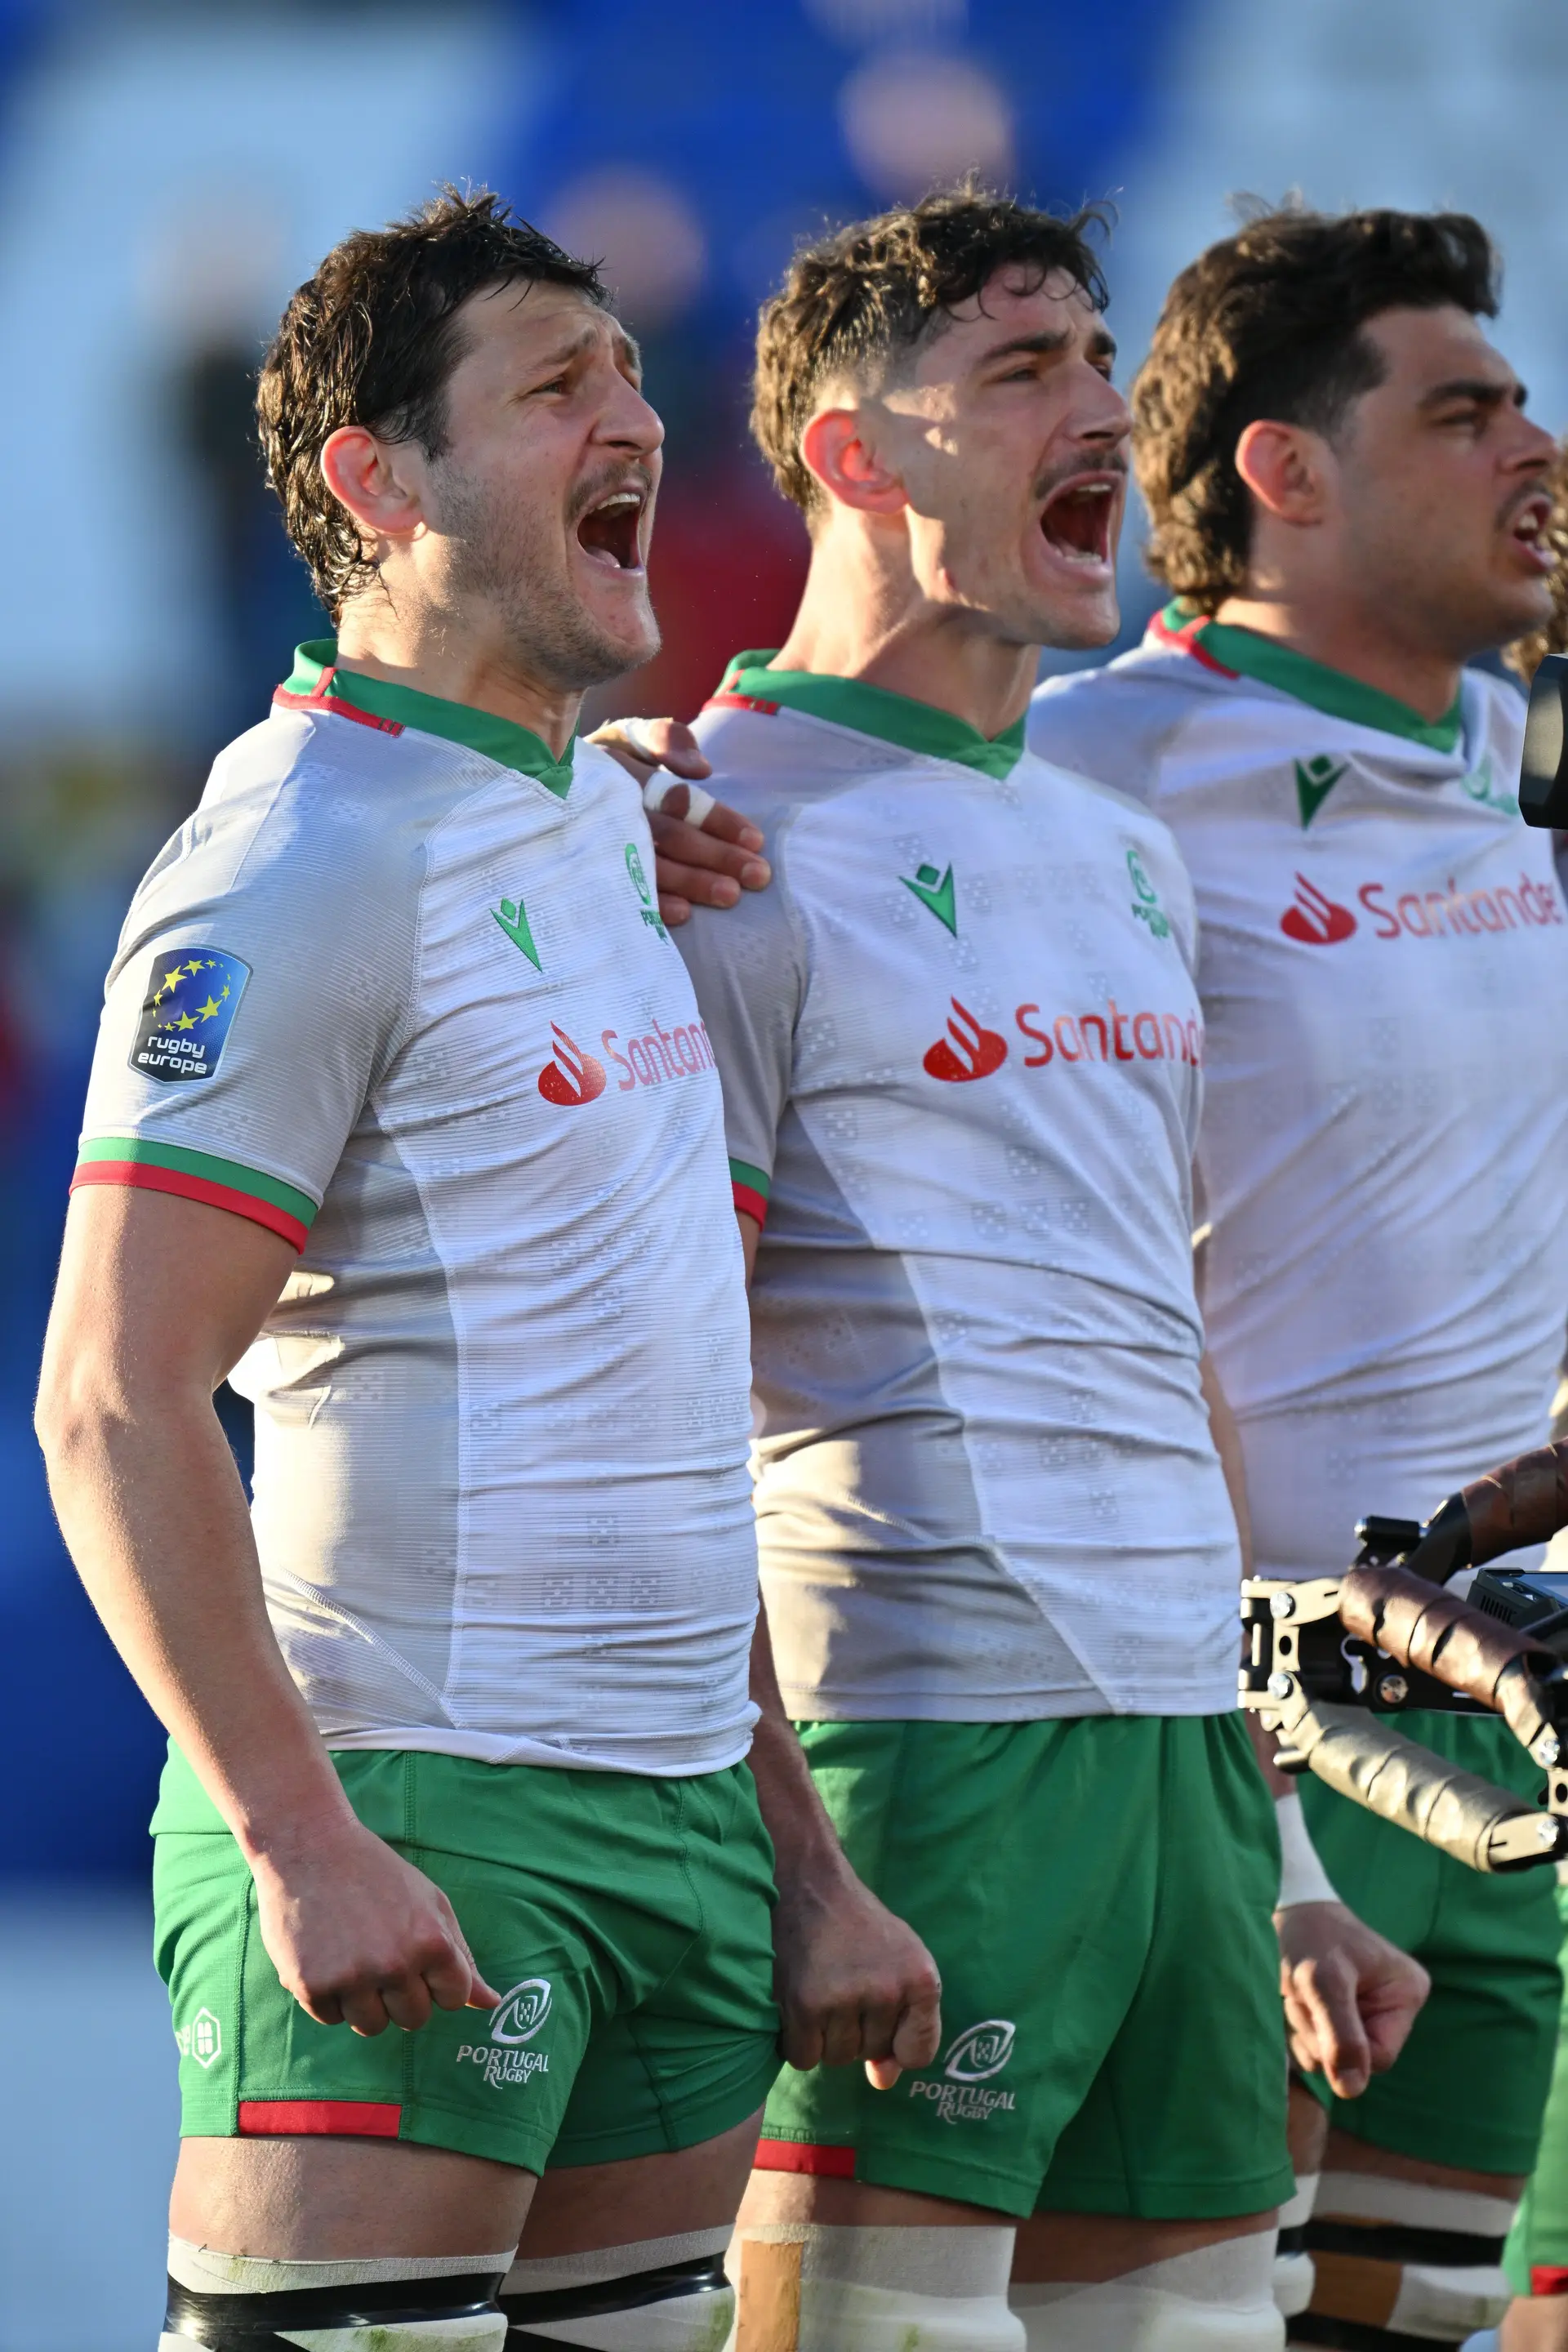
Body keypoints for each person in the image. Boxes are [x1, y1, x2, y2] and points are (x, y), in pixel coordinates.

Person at [33, 189, 937, 2352]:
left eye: (629, 374)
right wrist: (297, 1836)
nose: (635, 419)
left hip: (686, 1835)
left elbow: (656, 1400)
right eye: (555, 389)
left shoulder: (596, 813)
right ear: (379, 482)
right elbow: (110, 1399)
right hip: (421, 1810)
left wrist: (800, 1859)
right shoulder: (293, 860)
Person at [644, 182, 1427, 2352]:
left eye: (1099, 358)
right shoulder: (706, 843)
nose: (1100, 410)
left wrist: (1281, 1849)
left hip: (1186, 1778)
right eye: (1019, 370)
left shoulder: (1119, 847)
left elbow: (1167, 1354)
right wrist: (801, 1862)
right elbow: (650, 1402)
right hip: (920, 1759)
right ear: (854, 455)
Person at [1027, 204, 1568, 2352]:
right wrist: (646, 795)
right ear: (1286, 470)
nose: (1536, 447)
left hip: (1517, 1718)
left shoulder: (1513, 754)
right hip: (1247, 1744)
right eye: (1466, 412)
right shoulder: (1090, 770)